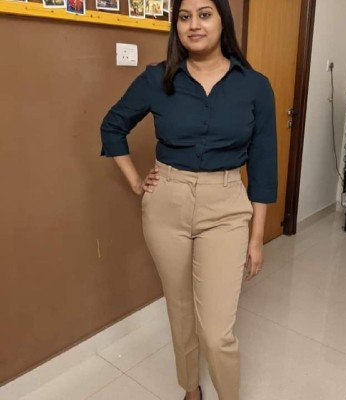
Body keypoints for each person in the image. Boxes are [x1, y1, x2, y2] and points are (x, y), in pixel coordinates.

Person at [100, 0, 277, 399]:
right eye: (184, 17)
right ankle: (190, 389)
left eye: (204, 14)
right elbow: (112, 126)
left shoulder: (254, 85)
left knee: (216, 331)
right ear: (176, 25)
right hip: (166, 204)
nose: (194, 24)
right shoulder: (158, 78)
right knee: (179, 310)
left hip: (226, 206)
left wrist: (256, 237)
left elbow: (264, 164)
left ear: (222, 21)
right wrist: (135, 182)